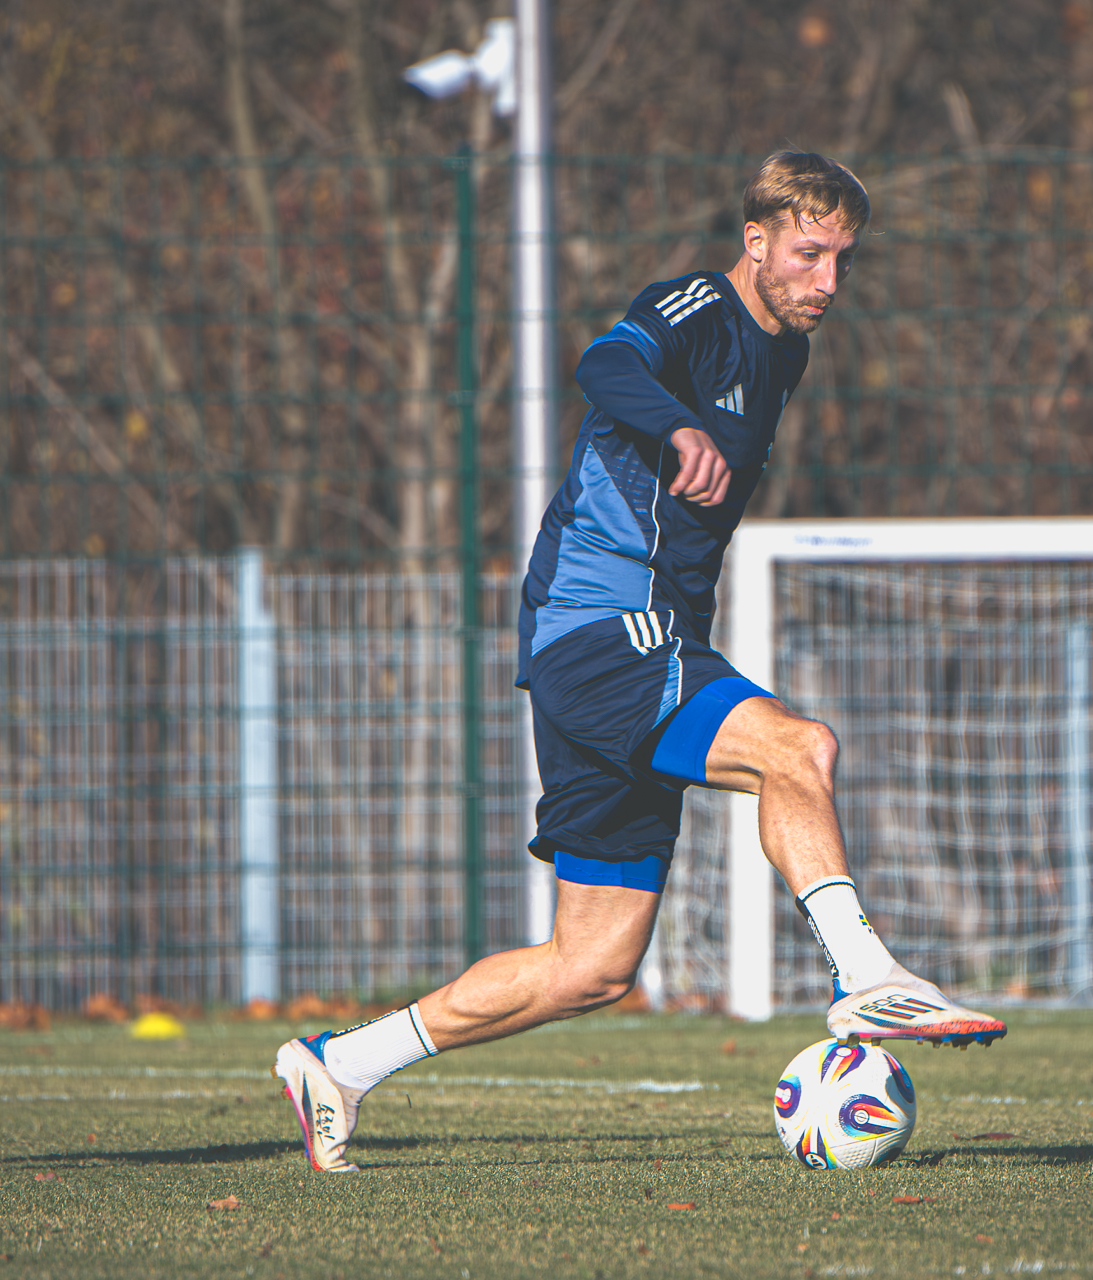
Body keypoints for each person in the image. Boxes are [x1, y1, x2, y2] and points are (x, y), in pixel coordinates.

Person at [275, 151, 1006, 1173]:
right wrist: (677, 424)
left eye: (844, 259)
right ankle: (867, 972)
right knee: (798, 748)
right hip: (603, 623)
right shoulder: (697, 306)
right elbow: (606, 364)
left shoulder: (787, 353)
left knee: (591, 966)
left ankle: (340, 1064)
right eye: (809, 254)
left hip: (624, 642)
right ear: (755, 241)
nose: (829, 280)